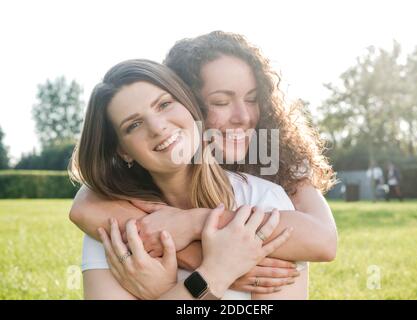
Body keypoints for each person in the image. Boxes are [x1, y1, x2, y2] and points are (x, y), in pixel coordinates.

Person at [70, 31, 337, 299]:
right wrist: (212, 268)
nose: (243, 117)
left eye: (253, 98)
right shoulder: (119, 223)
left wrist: (194, 227)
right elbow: (84, 207)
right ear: (191, 101)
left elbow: (324, 241)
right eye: (220, 102)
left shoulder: (271, 182)